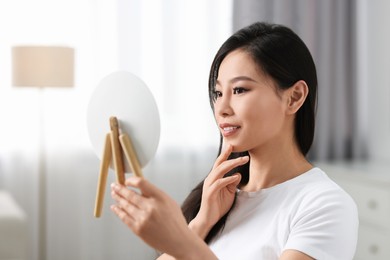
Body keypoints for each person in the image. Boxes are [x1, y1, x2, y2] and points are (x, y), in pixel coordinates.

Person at [110, 22, 358, 260]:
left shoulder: (325, 206)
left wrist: (182, 241)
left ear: (294, 97)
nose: (222, 108)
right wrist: (201, 223)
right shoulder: (217, 198)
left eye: (239, 90)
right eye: (218, 93)